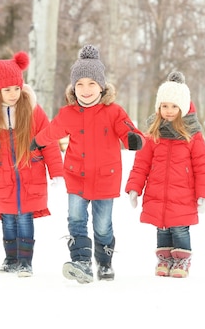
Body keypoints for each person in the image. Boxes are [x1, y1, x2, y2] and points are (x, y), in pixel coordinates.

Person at [29, 45, 145, 283]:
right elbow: (52, 131)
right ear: (73, 87)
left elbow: (129, 131)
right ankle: (81, 262)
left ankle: (104, 261)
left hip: (105, 177)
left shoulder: (114, 111)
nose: (86, 89)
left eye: (91, 83)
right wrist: (37, 141)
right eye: (80, 84)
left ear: (101, 86)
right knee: (76, 220)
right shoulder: (69, 113)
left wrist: (134, 140)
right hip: (76, 176)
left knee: (103, 226)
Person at [0, 50, 64, 278]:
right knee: (8, 220)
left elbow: (48, 141)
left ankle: (25, 261)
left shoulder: (32, 111)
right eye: (7, 90)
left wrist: (56, 172)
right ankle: (11, 258)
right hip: (3, 177)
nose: (13, 94)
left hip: (30, 175)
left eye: (16, 88)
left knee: (24, 219)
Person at [125, 71, 205, 278]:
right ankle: (165, 259)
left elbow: (203, 166)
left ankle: (182, 260)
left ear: (182, 107)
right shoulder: (153, 133)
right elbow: (142, 163)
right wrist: (134, 188)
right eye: (164, 106)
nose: (169, 111)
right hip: (157, 193)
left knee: (180, 229)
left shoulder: (192, 134)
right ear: (158, 107)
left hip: (183, 194)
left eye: (174, 106)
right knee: (162, 227)